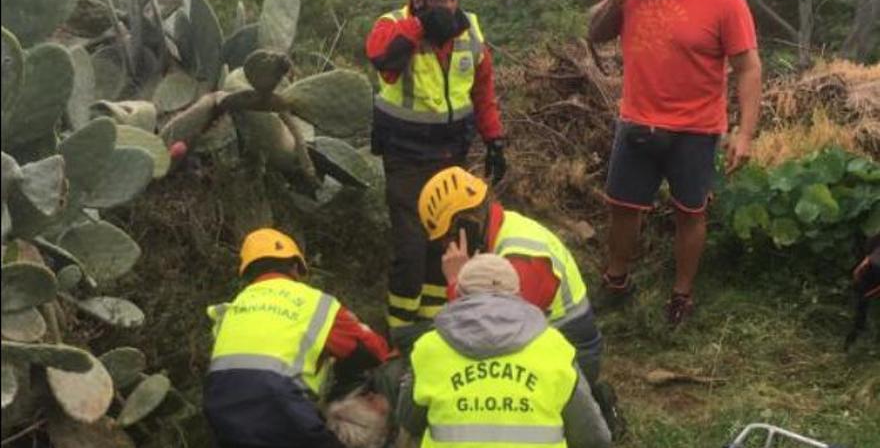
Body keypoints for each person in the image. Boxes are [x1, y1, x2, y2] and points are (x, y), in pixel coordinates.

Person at [587, 0, 762, 325]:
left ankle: (681, 296)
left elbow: (748, 67)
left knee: (690, 213)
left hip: (696, 130)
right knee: (622, 207)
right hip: (637, 121)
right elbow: (595, 33)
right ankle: (615, 281)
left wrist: (744, 133)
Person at [416, 166, 624, 438]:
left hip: (572, 350)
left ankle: (592, 403)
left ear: (466, 224)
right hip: (542, 339)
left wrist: (457, 284)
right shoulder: (496, 232)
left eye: (448, 236)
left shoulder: (522, 256)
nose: (446, 246)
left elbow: (492, 333)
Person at [365, 0, 506, 348]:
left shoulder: (470, 31)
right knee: (410, 251)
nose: (448, 4)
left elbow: (483, 91)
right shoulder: (393, 26)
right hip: (407, 159)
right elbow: (381, 58)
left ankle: (433, 324)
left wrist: (494, 139)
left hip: (451, 159)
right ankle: (401, 333)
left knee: (442, 245)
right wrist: (418, 27)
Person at [394, 254, 611, 448]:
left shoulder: (429, 348)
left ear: (458, 294)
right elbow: (593, 437)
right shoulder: (554, 347)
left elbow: (407, 420)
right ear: (518, 294)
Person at [203, 228, 392, 448]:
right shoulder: (314, 304)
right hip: (281, 407)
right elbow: (375, 351)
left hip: (220, 412)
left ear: (247, 273)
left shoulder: (231, 309)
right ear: (296, 267)